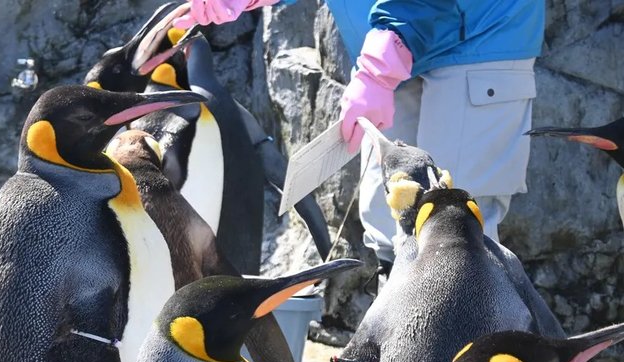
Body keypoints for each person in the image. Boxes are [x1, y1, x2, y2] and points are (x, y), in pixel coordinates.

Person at [176, 0, 544, 272]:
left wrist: (379, 69)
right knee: (387, 220)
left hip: (477, 35)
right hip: (391, 38)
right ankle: (405, 339)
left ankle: (463, 349)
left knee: (456, 224)